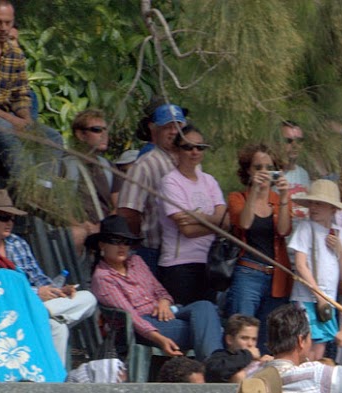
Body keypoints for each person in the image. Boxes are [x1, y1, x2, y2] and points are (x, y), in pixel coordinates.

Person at [0, 188, 100, 363]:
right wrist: (35, 294)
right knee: (58, 327)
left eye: (12, 217)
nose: (9, 222)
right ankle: (55, 384)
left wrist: (58, 291)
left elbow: (38, 277)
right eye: (3, 217)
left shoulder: (18, 243)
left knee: (87, 299)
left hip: (35, 306)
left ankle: (53, 383)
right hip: (3, 310)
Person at [88, 214, 221, 361]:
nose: (121, 246)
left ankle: (213, 365)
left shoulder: (136, 261)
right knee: (213, 329)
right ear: (102, 245)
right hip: (140, 327)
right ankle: (213, 367)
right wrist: (159, 339)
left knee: (205, 307)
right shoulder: (103, 277)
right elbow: (131, 318)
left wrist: (164, 302)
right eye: (115, 241)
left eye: (126, 242)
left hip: (164, 313)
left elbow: (160, 291)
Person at [0, 1, 62, 174]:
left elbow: (21, 94)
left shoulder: (15, 54)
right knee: (4, 127)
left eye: (8, 23)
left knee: (52, 137)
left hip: (4, 115)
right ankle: (23, 185)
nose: (4, 28)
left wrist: (26, 120)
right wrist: (13, 121)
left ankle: (45, 186)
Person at [154, 124, 227, 306]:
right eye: (188, 147)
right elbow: (186, 229)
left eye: (200, 147)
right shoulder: (170, 182)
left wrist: (198, 217)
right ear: (177, 150)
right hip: (179, 264)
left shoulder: (209, 180)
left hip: (210, 262)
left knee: (209, 315)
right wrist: (215, 223)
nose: (194, 152)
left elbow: (226, 222)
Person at [225, 141, 293, 323]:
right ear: (248, 170)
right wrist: (254, 190)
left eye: (269, 168)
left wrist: (285, 197)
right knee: (243, 329)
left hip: (277, 276)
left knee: (269, 338)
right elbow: (244, 224)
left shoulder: (279, 200)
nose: (264, 172)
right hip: (248, 273)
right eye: (258, 167)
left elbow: (284, 230)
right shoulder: (237, 197)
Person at [285, 178, 342, 362]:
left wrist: (340, 252)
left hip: (330, 297)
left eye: (320, 204)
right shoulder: (305, 228)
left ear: (332, 208)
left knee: (320, 345)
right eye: (312, 203)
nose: (314, 207)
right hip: (307, 297)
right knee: (304, 342)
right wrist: (319, 295)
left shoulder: (340, 234)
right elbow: (300, 265)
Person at [115, 101, 187, 268]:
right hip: (155, 251)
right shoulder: (144, 165)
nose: (174, 131)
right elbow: (127, 212)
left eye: (178, 125)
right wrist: (138, 242)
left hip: (189, 252)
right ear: (154, 130)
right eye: (167, 127)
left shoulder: (191, 161)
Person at [65, 108, 116, 252]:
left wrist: (101, 227)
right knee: (77, 234)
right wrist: (82, 225)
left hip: (106, 231)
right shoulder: (64, 165)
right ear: (81, 134)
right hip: (79, 232)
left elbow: (118, 206)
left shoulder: (109, 167)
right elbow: (58, 206)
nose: (104, 135)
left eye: (105, 130)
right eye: (97, 130)